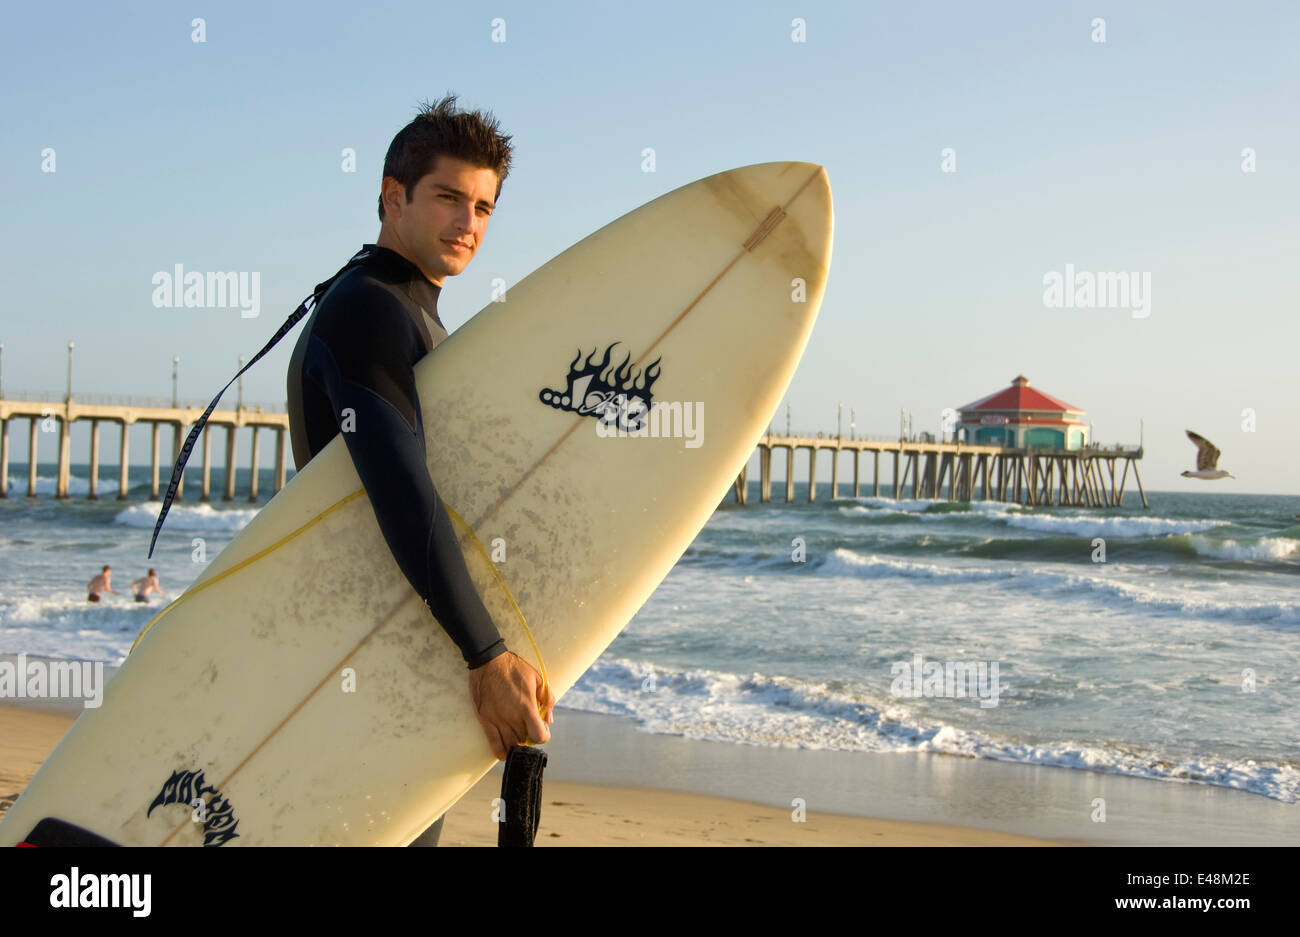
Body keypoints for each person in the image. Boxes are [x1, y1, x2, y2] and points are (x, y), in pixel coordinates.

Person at [285, 94, 555, 847]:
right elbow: (402, 490)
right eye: (448, 197)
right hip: (363, 662)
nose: (468, 222)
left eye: (483, 206)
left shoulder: (405, 310)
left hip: (387, 645)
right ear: (392, 196)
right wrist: (485, 652)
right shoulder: (372, 310)